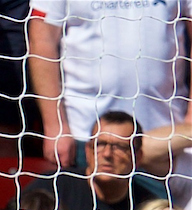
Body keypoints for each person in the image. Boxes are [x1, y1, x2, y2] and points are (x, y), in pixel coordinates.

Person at [28, 0, 192, 170]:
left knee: (162, 198)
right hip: (86, 135)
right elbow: (42, 42)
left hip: (167, 135)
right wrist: (55, 126)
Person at [23, 111, 161, 210]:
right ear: (88, 151)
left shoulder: (147, 209)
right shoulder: (53, 187)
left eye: (120, 147)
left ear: (138, 157)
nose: (107, 154)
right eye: (100, 144)